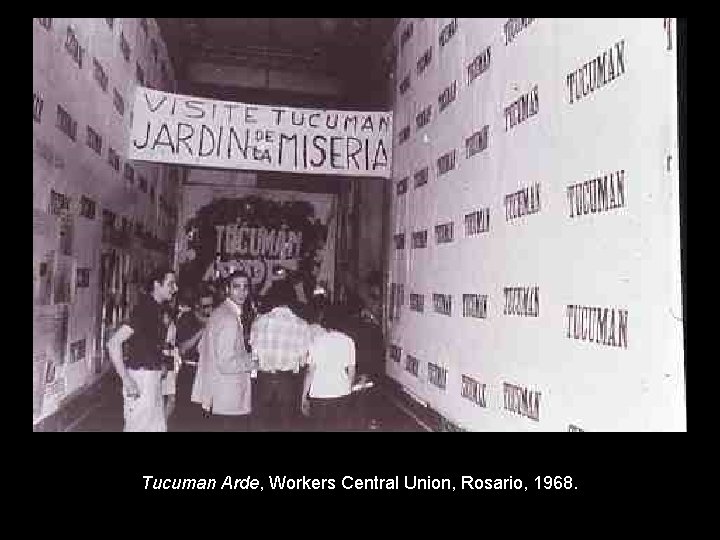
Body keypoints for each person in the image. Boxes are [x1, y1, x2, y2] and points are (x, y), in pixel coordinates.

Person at [107, 266, 178, 432]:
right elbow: (113, 343)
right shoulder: (144, 310)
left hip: (152, 379)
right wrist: (126, 379)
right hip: (141, 380)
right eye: (170, 284)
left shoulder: (157, 309)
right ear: (156, 285)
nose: (175, 289)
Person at [191, 270, 256, 431]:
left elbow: (202, 348)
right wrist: (253, 362)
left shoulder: (219, 313)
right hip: (229, 400)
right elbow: (226, 364)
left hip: (217, 396)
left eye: (245, 287)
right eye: (236, 287)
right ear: (227, 289)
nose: (242, 292)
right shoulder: (229, 319)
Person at [250, 279, 312, 431]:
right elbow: (304, 361)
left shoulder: (259, 321)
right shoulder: (302, 324)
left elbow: (254, 354)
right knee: (286, 424)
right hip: (288, 381)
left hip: (263, 380)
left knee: (260, 424)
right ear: (292, 298)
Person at [301, 298, 356, 431]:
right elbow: (352, 371)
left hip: (319, 394)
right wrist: (347, 388)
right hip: (341, 392)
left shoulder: (317, 341)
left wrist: (304, 396)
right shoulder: (349, 341)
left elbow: (310, 372)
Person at [174, 285, 213, 427]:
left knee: (205, 418)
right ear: (197, 305)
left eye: (211, 305)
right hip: (190, 372)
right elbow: (183, 349)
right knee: (186, 417)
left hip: (208, 373)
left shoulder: (215, 318)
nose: (209, 310)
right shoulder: (186, 319)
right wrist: (202, 330)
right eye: (206, 306)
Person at [160, 304, 181, 422]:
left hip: (170, 360)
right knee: (160, 394)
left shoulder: (172, 327)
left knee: (171, 397)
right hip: (161, 360)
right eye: (164, 317)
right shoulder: (156, 327)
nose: (166, 319)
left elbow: (171, 346)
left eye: (168, 317)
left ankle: (163, 421)